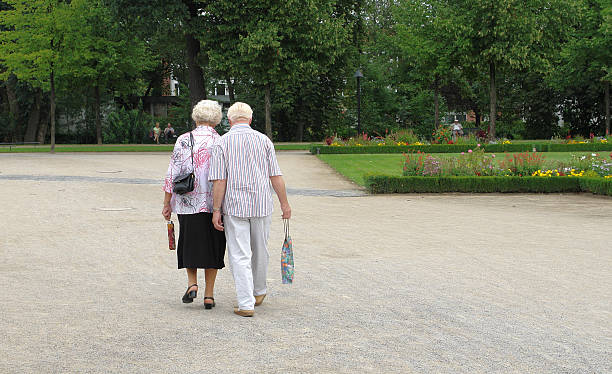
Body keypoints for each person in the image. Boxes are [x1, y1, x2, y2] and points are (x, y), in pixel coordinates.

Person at [209, 102, 291, 317]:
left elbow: (219, 180)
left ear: (230, 120)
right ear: (251, 119)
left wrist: (216, 209)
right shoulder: (264, 141)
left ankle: (246, 302)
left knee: (239, 254)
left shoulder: (222, 143)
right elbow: (275, 175)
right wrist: (284, 203)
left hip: (235, 205)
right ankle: (259, 291)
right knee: (260, 250)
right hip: (261, 203)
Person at [162, 100, 226, 309]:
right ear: (216, 120)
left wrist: (166, 203)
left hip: (187, 201)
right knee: (213, 246)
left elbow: (171, 174)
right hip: (213, 203)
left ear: (196, 117)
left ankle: (192, 284)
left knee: (188, 241)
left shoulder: (182, 140)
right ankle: (209, 295)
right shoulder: (221, 141)